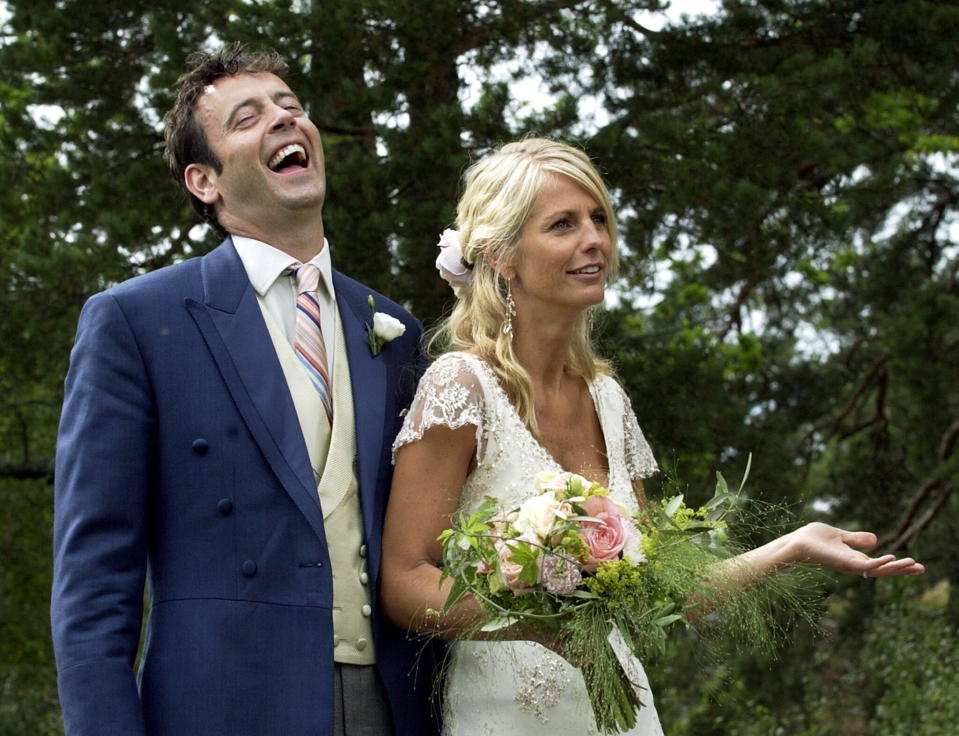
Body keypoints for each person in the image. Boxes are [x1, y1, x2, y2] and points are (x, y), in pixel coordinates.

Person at [379, 138, 925, 735]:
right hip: (506, 714)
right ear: (502, 255)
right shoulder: (461, 386)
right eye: (563, 224)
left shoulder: (609, 400)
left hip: (626, 716)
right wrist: (529, 621)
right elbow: (405, 582)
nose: (595, 240)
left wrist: (788, 547)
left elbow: (662, 594)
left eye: (598, 219)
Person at [51, 44, 442, 736]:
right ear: (205, 180)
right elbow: (93, 578)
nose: (284, 122)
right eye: (248, 117)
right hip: (221, 706)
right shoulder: (137, 322)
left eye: (291, 108)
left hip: (396, 705)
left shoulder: (394, 330)